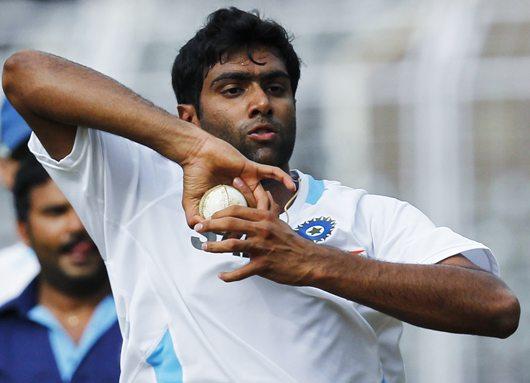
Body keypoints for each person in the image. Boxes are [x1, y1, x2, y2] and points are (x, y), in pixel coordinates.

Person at [2, 7, 520, 383]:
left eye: (276, 87)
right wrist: (191, 150)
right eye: (232, 89)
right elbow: (24, 74)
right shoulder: (135, 186)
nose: (260, 102)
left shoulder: (362, 213)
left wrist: (311, 262)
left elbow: (495, 307)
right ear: (189, 115)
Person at [0, 156, 121, 382]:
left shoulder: (150, 314)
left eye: (87, 209)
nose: (77, 225)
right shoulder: (5, 333)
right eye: (56, 212)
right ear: (24, 230)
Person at [0, 99, 40, 304]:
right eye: (32, 156)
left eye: (67, 151)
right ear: (4, 169)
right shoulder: (4, 282)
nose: (52, 168)